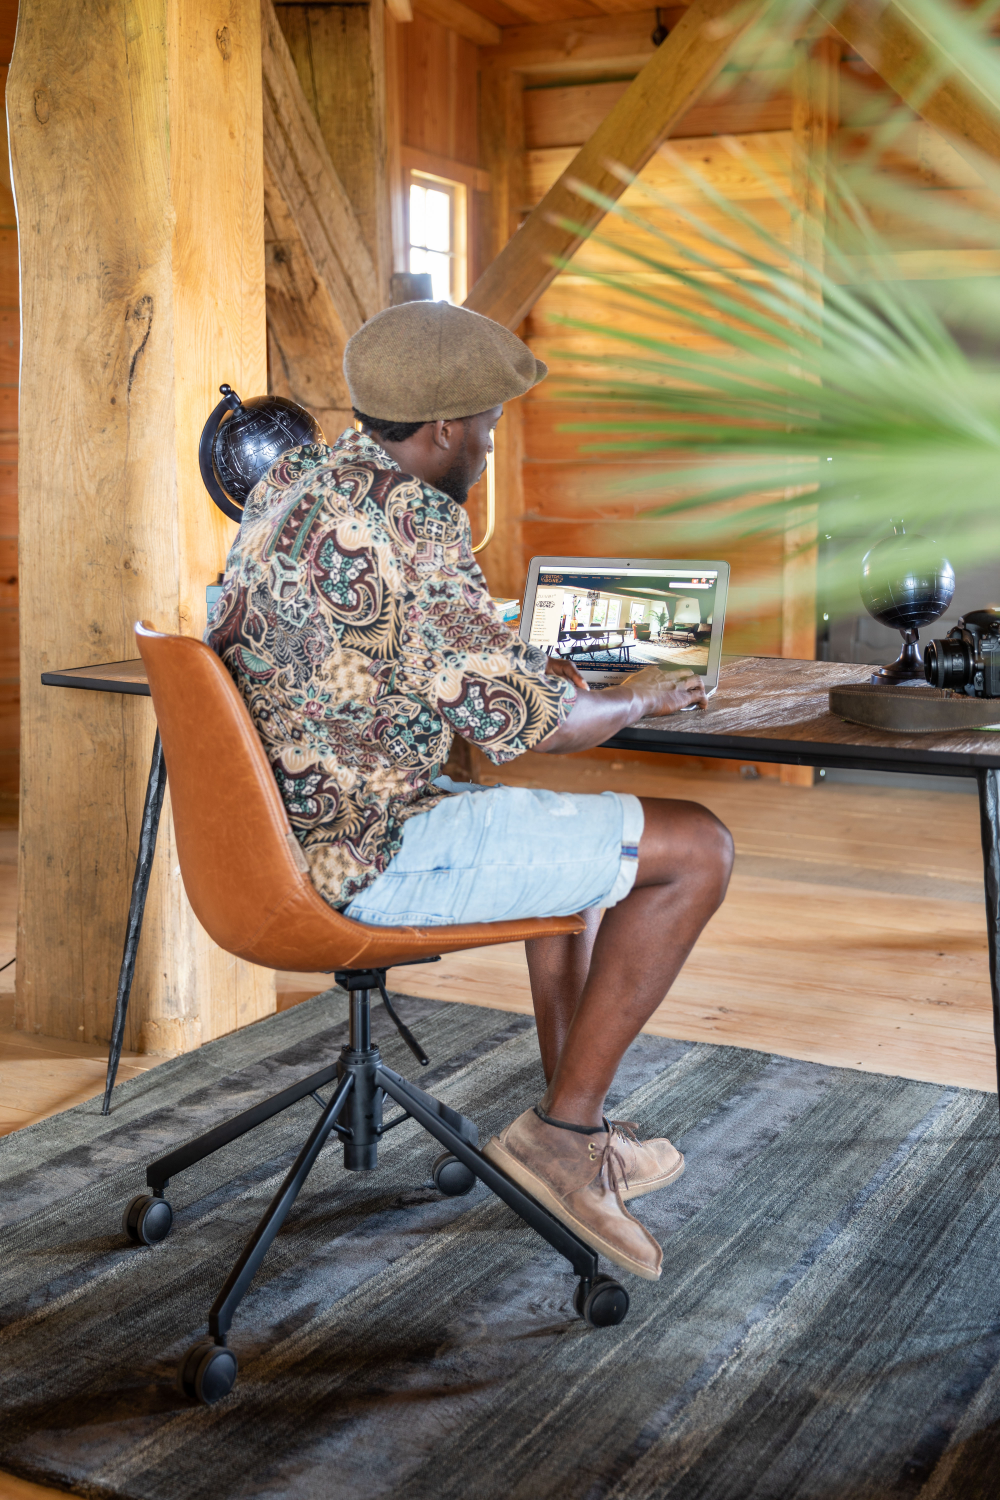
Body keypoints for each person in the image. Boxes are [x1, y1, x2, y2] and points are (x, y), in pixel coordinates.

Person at [206, 300, 733, 1283]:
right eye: (487, 423)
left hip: (288, 836)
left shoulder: (291, 480)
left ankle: (580, 1127)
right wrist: (630, 697)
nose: (490, 442)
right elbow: (520, 730)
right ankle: (561, 1137)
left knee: (569, 855)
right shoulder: (416, 520)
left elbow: (403, 646)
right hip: (373, 854)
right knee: (697, 846)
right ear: (446, 428)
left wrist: (516, 660)